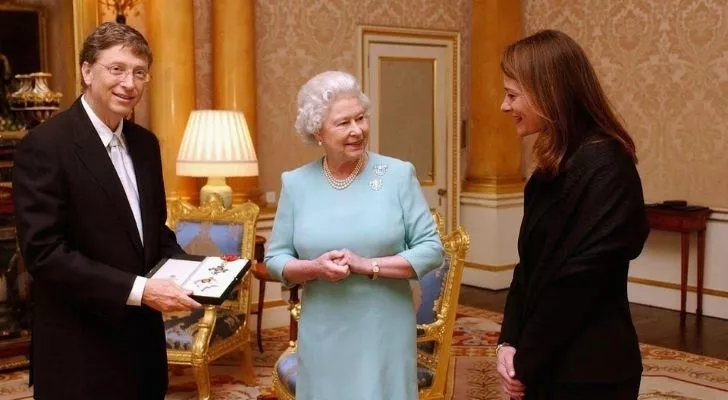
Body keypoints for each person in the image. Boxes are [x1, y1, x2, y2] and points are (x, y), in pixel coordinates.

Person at [12, 22, 201, 400]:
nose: (129, 83)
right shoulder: (45, 145)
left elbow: (154, 235)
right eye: (116, 69)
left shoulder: (146, 145)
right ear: (86, 71)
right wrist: (142, 290)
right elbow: (45, 254)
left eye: (139, 72)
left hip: (143, 351)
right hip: (80, 355)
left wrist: (200, 274)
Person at [265, 70, 443, 400]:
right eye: (343, 123)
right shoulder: (296, 183)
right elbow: (276, 259)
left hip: (383, 327)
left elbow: (432, 249)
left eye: (361, 118)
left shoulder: (397, 174)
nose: (357, 130)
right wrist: (315, 269)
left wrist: (367, 266)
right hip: (323, 327)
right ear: (318, 131)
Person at [495, 29, 650, 400]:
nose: (504, 106)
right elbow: (527, 268)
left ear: (548, 94)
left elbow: (579, 283)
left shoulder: (608, 167)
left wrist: (526, 360)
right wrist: (507, 343)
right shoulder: (548, 171)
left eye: (512, 95)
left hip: (591, 373)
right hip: (544, 362)